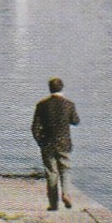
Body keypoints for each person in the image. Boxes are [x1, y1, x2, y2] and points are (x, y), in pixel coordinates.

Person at [30, 77, 80, 210]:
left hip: (47, 143)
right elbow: (75, 121)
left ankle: (53, 204)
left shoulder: (42, 104)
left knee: (51, 172)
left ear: (49, 88)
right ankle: (66, 194)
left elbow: (34, 127)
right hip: (64, 143)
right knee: (65, 170)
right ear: (62, 88)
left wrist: (40, 141)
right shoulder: (69, 104)